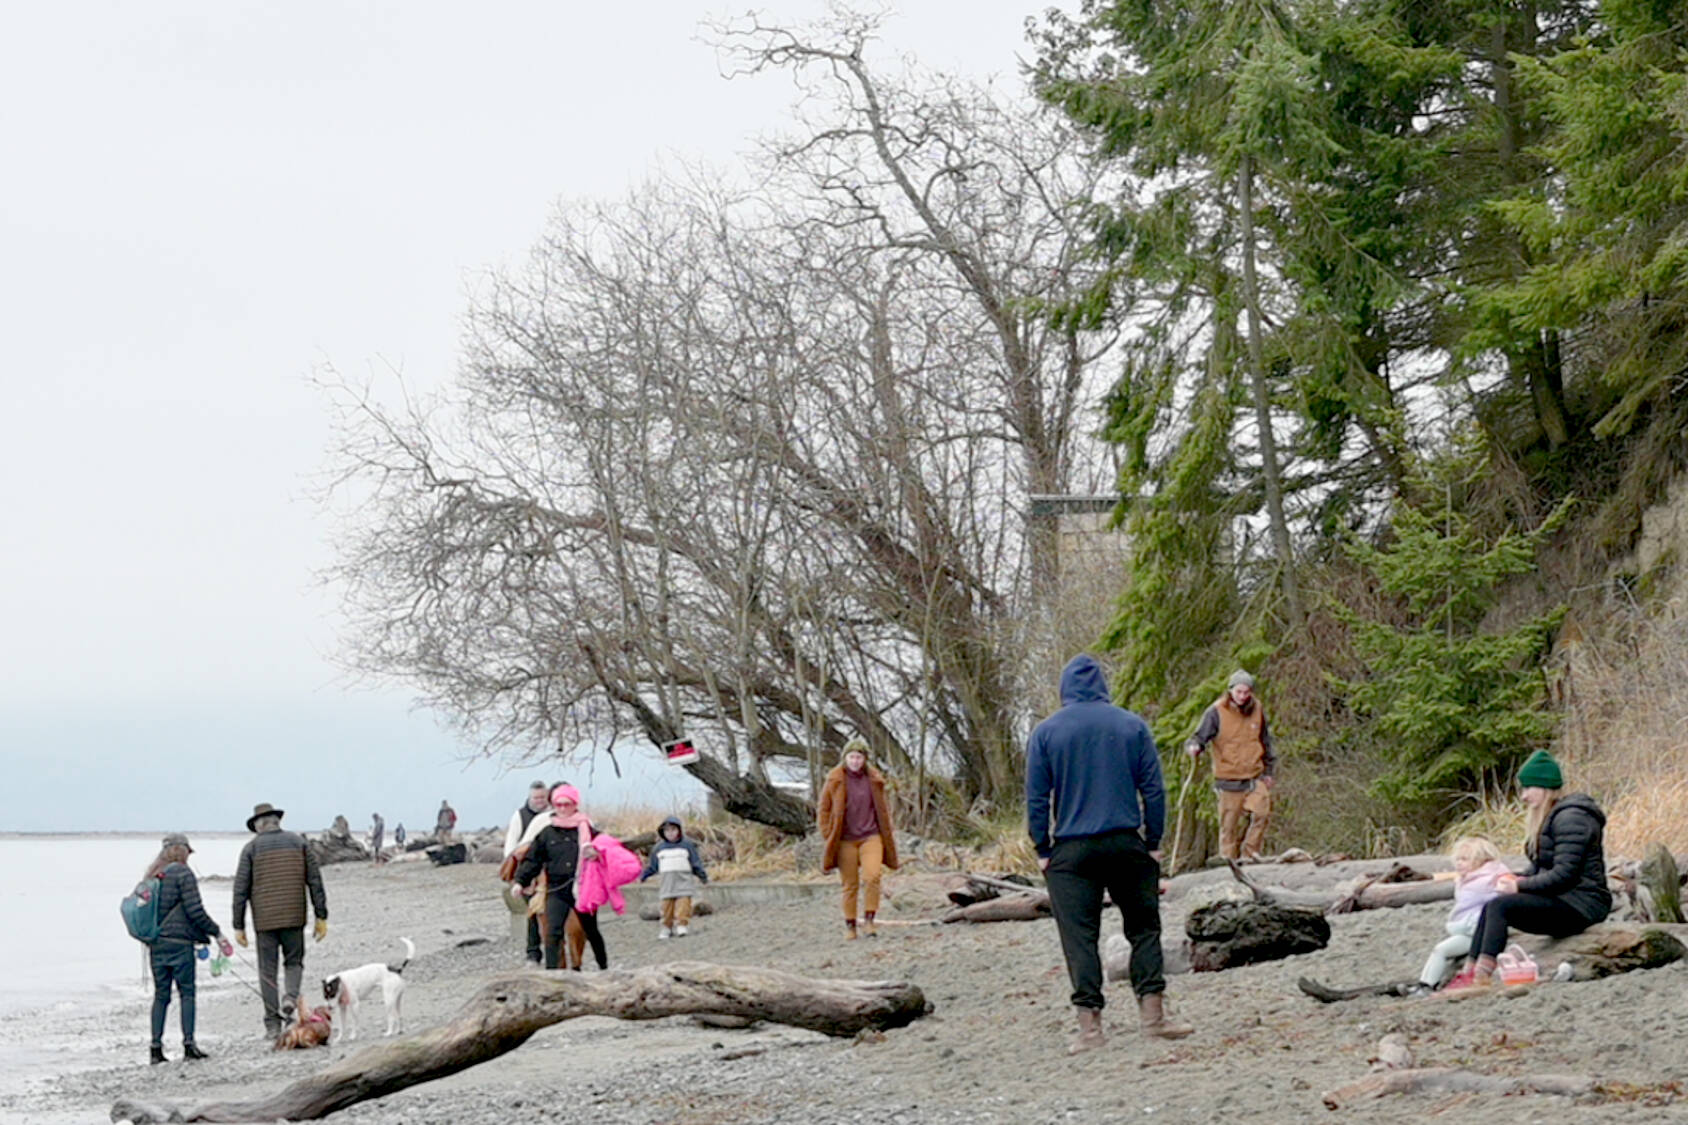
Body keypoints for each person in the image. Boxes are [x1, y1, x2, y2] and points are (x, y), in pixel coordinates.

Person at [1027, 654, 1192, 1052]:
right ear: (1103, 686)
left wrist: (1042, 847)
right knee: (1144, 928)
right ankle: (1153, 1016)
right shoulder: (1132, 725)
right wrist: (1153, 842)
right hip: (1125, 841)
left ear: (1065, 689)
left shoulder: (1046, 733)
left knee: (1079, 938)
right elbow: (1153, 790)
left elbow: (1036, 796)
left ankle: (1090, 1030)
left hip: (1071, 849)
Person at [1446, 750, 1611, 989]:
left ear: (1544, 786)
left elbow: (1564, 875)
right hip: (1565, 899)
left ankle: (1480, 977)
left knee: (1501, 906)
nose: (1523, 797)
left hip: (1583, 905)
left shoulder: (1572, 818)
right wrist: (1517, 877)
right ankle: (1470, 971)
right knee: (1493, 904)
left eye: (1527, 789)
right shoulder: (1552, 817)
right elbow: (1541, 868)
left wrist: (1519, 885)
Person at [232, 802, 330, 1039]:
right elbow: (315, 881)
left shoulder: (251, 849)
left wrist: (238, 925)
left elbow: (240, 889)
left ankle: (273, 1024)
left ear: (258, 825)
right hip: (294, 915)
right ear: (277, 822)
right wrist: (321, 915)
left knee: (267, 971)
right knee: (294, 962)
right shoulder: (299, 843)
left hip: (264, 921)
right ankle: (290, 998)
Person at [143, 833, 233, 1064]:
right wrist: (217, 932)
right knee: (187, 993)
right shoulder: (183, 873)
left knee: (161, 996)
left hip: (155, 945)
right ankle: (189, 1045)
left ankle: (155, 1049)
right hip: (180, 944)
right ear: (182, 851)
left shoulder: (152, 875)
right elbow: (195, 911)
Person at [512, 784, 608, 971]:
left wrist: (597, 854)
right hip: (557, 889)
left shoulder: (587, 828)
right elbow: (533, 859)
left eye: (567, 804)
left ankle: (603, 966)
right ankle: (552, 974)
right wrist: (520, 881)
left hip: (583, 887)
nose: (563, 808)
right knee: (552, 932)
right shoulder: (547, 832)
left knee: (590, 930)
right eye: (559, 804)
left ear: (574, 804)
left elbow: (608, 851)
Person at [1185, 669, 1277, 861]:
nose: (1242, 696)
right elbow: (1199, 737)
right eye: (1238, 692)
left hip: (1255, 775)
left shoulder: (1257, 709)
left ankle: (1250, 855)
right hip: (1229, 779)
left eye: (1246, 692)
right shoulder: (1216, 711)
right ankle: (1228, 863)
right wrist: (1194, 747)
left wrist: (1269, 771)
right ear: (1230, 690)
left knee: (1262, 813)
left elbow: (1266, 741)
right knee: (1229, 827)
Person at [817, 737, 900, 941]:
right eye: (852, 757)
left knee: (872, 877)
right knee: (850, 883)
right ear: (845, 758)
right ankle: (850, 925)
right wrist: (829, 833)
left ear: (865, 759)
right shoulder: (835, 780)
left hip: (871, 836)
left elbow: (883, 809)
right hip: (845, 839)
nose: (855, 761)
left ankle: (870, 920)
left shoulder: (874, 779)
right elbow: (823, 809)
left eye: (859, 757)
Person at [1409, 836, 1510, 994]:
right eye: (1458, 859)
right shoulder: (1466, 879)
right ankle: (1424, 983)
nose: (1459, 863)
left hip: (1476, 932)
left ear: (1480, 860)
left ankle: (1427, 985)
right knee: (1439, 950)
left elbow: (1503, 887)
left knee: (1441, 950)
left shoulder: (1489, 879)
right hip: (1467, 928)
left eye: (1465, 859)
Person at [504, 780, 553, 964]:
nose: (539, 801)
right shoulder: (520, 816)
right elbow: (511, 846)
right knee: (533, 911)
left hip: (549, 869)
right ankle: (533, 952)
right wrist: (517, 875)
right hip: (528, 870)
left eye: (542, 797)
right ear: (530, 797)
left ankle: (552, 950)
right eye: (536, 797)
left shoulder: (553, 815)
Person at [640, 816, 709, 939]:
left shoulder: (687, 845)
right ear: (663, 832)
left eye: (673, 830)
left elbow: (695, 863)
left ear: (679, 830)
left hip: (684, 882)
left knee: (684, 906)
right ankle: (666, 927)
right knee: (666, 908)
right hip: (667, 884)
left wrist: (702, 876)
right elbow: (653, 866)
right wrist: (644, 876)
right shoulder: (658, 848)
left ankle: (682, 925)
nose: (670, 833)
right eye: (667, 831)